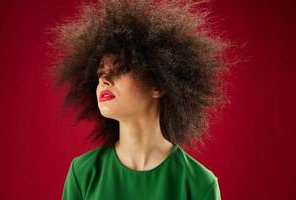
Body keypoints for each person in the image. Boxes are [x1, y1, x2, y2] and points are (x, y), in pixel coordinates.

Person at [46, 0, 230, 199]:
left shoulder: (199, 184)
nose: (104, 80)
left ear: (158, 84)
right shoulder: (82, 174)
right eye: (100, 72)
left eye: (121, 69)